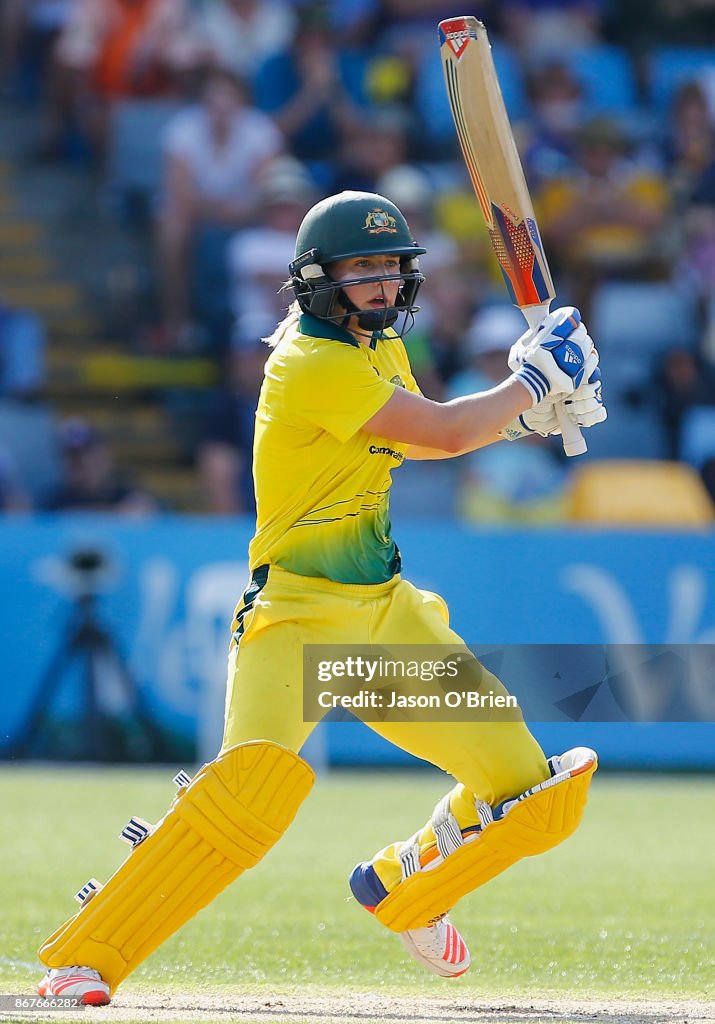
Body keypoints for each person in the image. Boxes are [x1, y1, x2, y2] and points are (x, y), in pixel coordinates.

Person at [36, 191, 606, 1006]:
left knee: (539, 798)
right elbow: (446, 431)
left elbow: (422, 435)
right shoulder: (308, 362)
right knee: (250, 796)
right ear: (315, 280)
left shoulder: (377, 352)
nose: (380, 285)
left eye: (390, 269)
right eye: (362, 269)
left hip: (385, 618)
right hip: (295, 620)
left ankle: (401, 887)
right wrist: (529, 382)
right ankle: (84, 957)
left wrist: (529, 414)